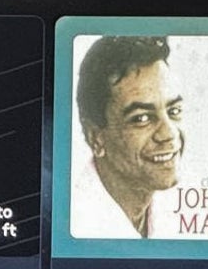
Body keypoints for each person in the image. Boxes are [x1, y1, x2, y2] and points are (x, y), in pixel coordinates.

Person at [72, 35, 185, 239]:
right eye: (141, 118)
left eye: (174, 111)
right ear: (96, 137)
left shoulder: (179, 214)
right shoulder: (76, 224)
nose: (169, 134)